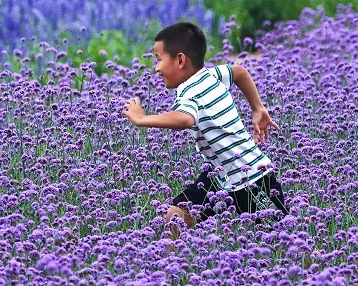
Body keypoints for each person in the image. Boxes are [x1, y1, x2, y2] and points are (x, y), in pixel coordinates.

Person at [122, 22, 288, 235]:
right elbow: (239, 72)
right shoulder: (211, 75)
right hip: (219, 176)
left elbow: (185, 120)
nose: (156, 68)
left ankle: (315, 264)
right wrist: (257, 107)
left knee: (283, 241)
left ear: (180, 60)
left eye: (159, 60)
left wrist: (142, 119)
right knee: (176, 218)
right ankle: (173, 266)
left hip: (252, 180)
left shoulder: (189, 92)